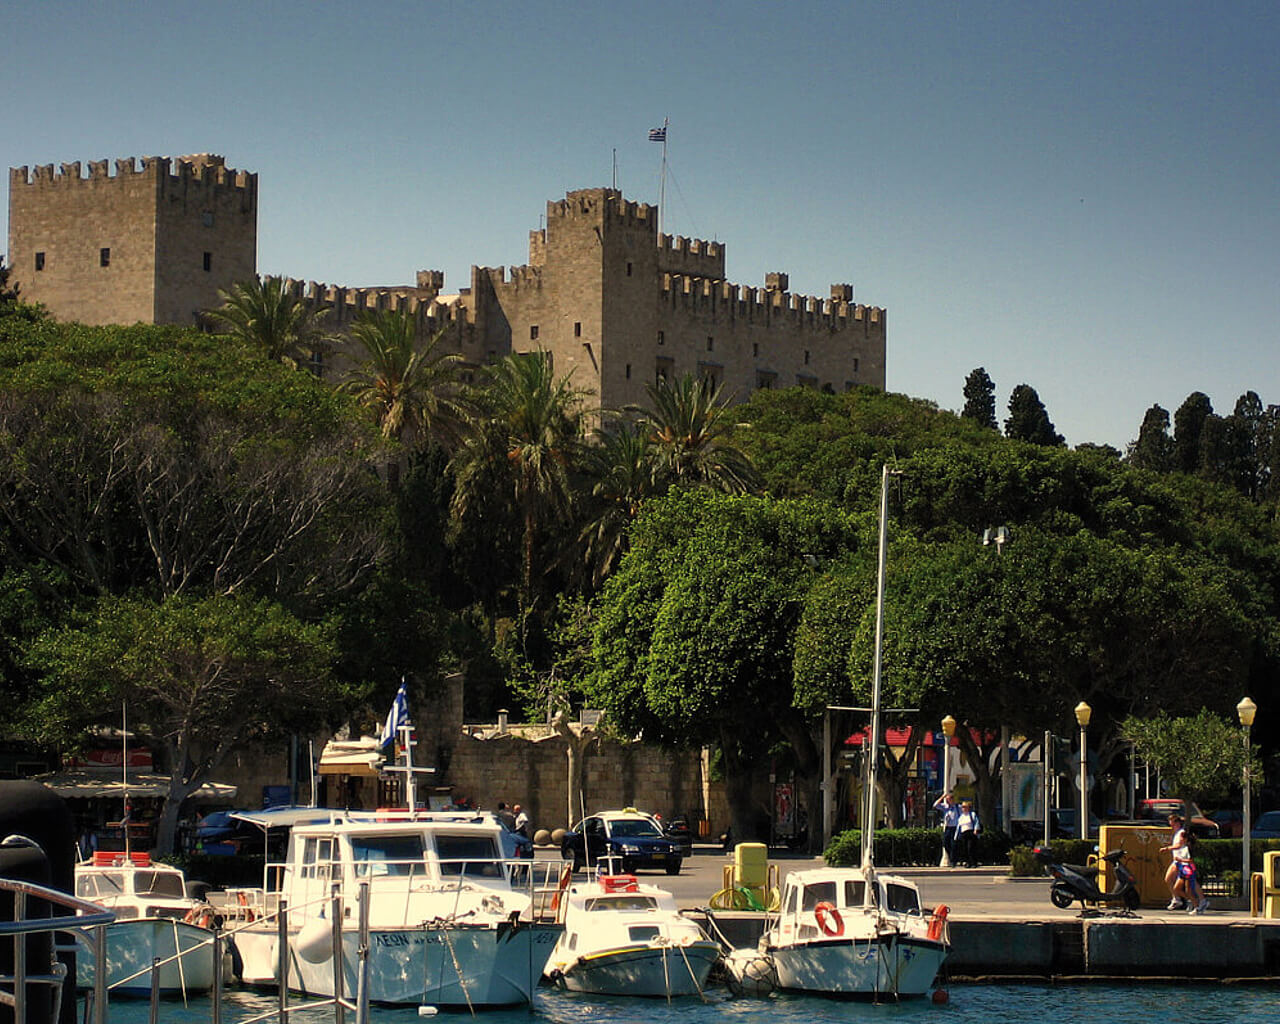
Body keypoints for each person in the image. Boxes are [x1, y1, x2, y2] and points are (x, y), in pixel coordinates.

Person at [1161, 813, 1208, 913]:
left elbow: (1179, 845)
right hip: (1178, 861)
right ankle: (1182, 899)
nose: (1171, 826)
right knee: (1171, 881)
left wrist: (1167, 848)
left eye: (1172, 824)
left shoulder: (1181, 833)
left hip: (1183, 863)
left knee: (1190, 885)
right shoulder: (1177, 833)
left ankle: (1198, 902)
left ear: (1177, 823)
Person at [933, 792, 960, 867]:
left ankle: (953, 860)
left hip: (955, 827)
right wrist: (942, 797)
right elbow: (935, 805)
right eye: (947, 800)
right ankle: (952, 858)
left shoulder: (957, 807)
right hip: (948, 827)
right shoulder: (945, 807)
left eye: (949, 799)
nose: (948, 801)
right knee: (945, 843)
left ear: (952, 799)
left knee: (953, 844)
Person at [955, 800, 981, 868]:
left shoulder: (972, 814)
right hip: (964, 833)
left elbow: (976, 822)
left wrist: (976, 830)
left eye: (964, 807)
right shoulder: (961, 816)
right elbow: (958, 826)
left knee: (970, 848)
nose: (963, 808)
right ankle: (968, 862)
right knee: (965, 849)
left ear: (968, 807)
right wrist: (956, 836)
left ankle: (974, 862)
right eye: (962, 807)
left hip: (971, 832)